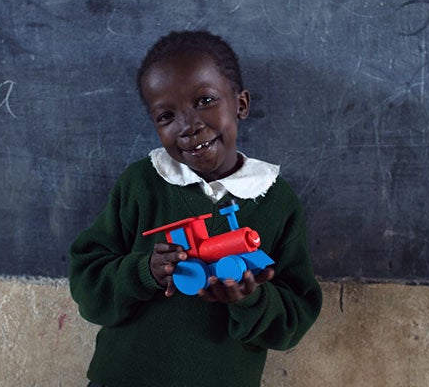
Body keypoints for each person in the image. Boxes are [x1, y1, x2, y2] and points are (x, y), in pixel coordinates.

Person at [69, 30, 322, 387]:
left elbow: (294, 317)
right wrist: (145, 272)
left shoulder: (277, 201)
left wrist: (252, 299)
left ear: (241, 104)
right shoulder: (141, 183)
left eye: (205, 100)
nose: (189, 126)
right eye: (166, 116)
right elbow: (87, 282)